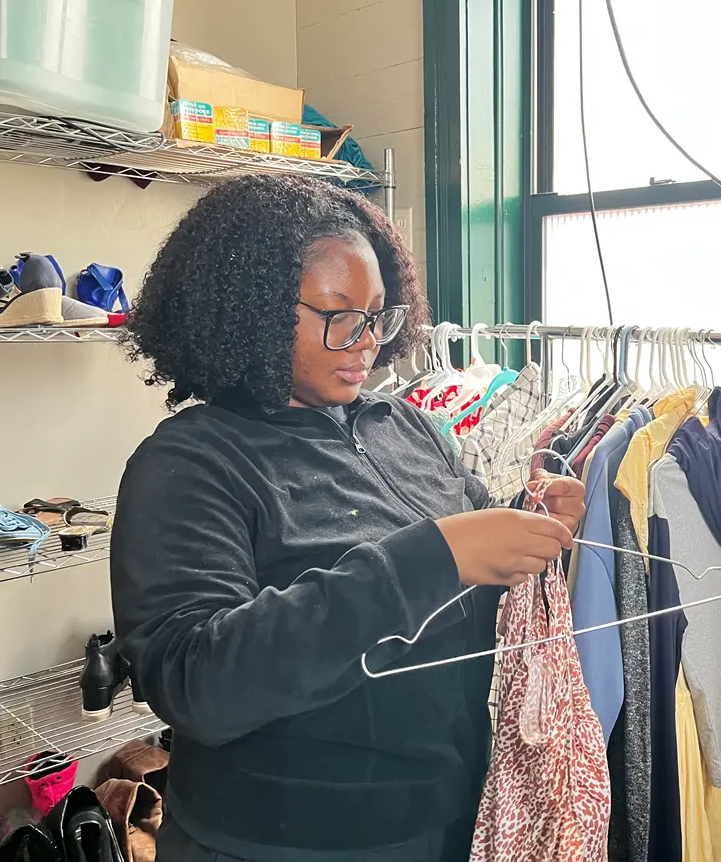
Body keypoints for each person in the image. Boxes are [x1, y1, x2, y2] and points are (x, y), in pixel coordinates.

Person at [111, 175, 587, 862]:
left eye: (378, 315)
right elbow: (195, 684)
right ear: (256, 312)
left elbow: (472, 581)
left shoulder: (413, 430)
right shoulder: (190, 463)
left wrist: (530, 524)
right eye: (339, 315)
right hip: (273, 842)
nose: (366, 342)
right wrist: (433, 557)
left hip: (443, 819)